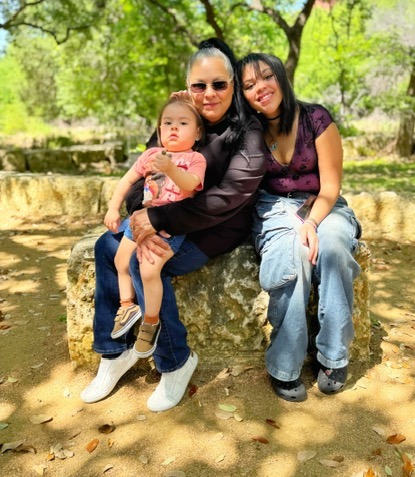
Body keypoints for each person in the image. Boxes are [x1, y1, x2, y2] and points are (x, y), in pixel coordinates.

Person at [80, 38, 266, 411]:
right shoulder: (178, 118)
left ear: (233, 85)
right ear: (188, 85)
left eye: (219, 84)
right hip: (165, 219)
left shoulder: (248, 132)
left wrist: (157, 220)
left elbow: (227, 198)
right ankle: (115, 351)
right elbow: (144, 176)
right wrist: (141, 215)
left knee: (143, 261)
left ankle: (175, 360)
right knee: (106, 246)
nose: (209, 93)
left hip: (214, 229)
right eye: (199, 85)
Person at [237, 52, 362, 402]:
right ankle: (285, 363)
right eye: (249, 84)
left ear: (281, 76)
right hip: (274, 207)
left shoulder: (316, 118)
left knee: (333, 247)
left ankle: (333, 355)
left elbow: (331, 186)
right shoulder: (249, 129)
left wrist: (312, 222)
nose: (260, 87)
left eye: (266, 77)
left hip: (323, 203)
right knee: (292, 253)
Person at [103, 98, 206, 358]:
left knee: (148, 270)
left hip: (169, 227)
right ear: (159, 130)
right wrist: (113, 208)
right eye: (167, 123)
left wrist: (171, 168)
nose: (174, 128)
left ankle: (151, 322)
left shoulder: (195, 159)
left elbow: (189, 185)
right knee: (120, 259)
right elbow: (127, 180)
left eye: (183, 123)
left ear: (197, 133)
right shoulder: (150, 155)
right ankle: (127, 305)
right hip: (141, 221)